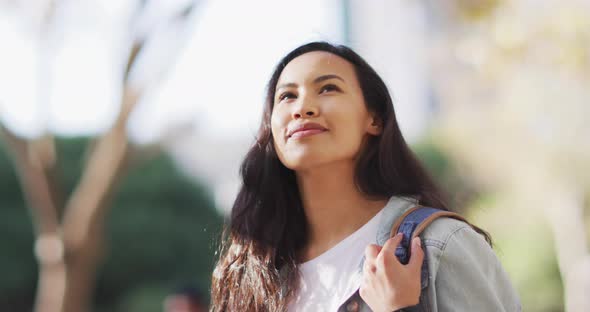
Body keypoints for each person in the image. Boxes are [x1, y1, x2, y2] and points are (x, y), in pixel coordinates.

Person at [210, 41, 521, 311]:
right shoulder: (255, 269)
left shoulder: (438, 245)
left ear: (374, 119)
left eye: (328, 88)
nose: (302, 107)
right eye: (287, 96)